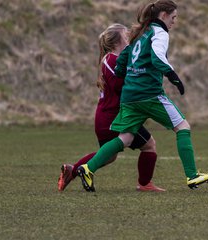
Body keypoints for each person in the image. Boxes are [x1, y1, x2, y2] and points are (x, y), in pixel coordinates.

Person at [77, 0, 208, 192]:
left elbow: (124, 56)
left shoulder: (140, 32)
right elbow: (157, 56)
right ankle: (192, 176)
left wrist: (121, 72)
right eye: (174, 17)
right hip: (149, 94)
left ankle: (88, 168)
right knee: (182, 126)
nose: (174, 22)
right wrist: (173, 76)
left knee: (125, 138)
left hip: (130, 97)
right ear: (163, 16)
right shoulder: (159, 33)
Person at [57, 23, 165, 192]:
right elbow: (120, 86)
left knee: (109, 157)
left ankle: (73, 169)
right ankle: (144, 184)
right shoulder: (111, 60)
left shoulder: (115, 59)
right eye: (126, 35)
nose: (129, 38)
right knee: (149, 145)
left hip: (112, 115)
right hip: (113, 117)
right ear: (116, 42)